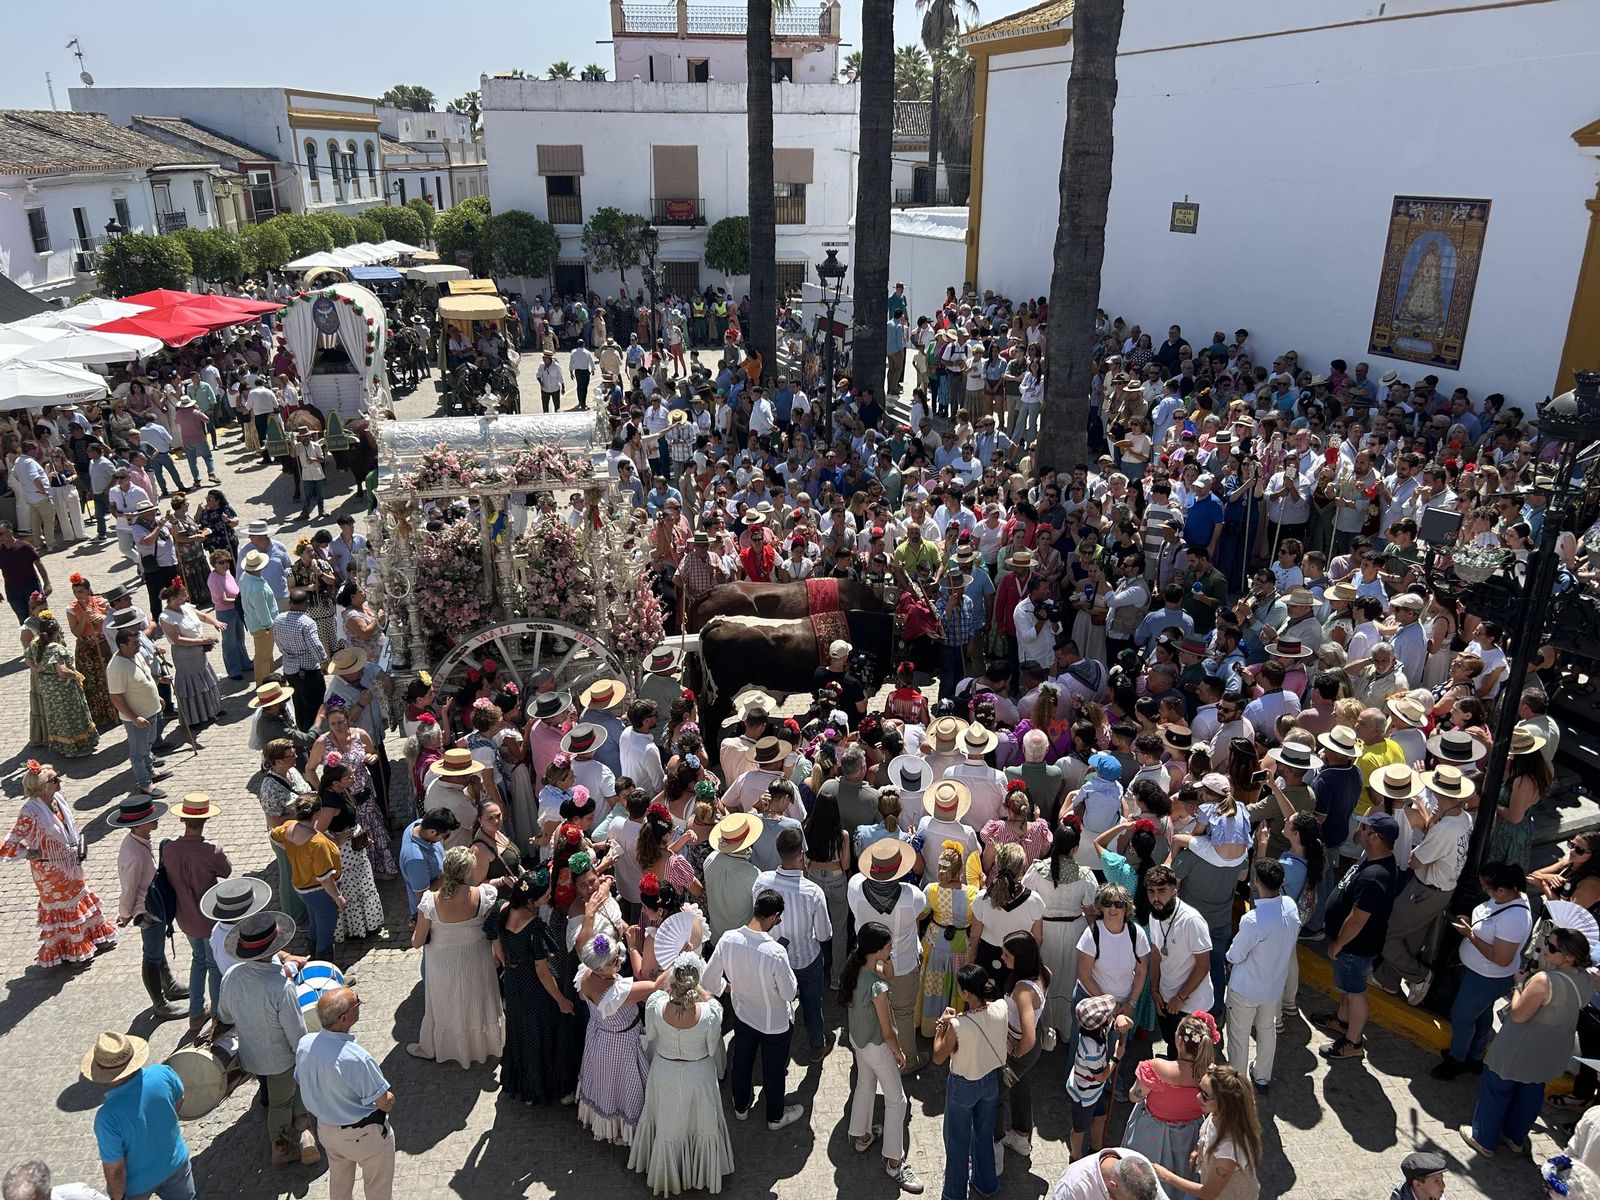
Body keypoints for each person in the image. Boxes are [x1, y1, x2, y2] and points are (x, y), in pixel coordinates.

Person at [1462, 927, 1593, 1159]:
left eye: (1552, 947)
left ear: (1569, 956)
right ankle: (1515, 1138)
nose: (1545, 949)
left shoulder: (1544, 980)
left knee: (1497, 1089)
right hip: (1551, 1048)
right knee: (1531, 1091)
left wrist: (1519, 985)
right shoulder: (1586, 978)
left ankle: (1484, 1139)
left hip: (1520, 1046)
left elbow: (1519, 1014)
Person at [216, 909, 320, 1168]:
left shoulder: (232, 976)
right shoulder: (280, 987)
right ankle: (281, 1145)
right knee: (280, 1102)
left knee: (282, 1092)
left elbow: (225, 1013)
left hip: (250, 1053)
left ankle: (303, 1129)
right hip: (280, 1060)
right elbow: (297, 1036)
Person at [628, 953, 737, 1196]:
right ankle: (700, 1172)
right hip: (698, 1074)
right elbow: (711, 1048)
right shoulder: (710, 1012)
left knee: (666, 1124)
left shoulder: (655, 1003)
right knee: (701, 1124)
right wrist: (705, 997)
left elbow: (652, 1036)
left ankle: (668, 1172)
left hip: (664, 1071)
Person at [703, 888, 804, 1130]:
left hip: (744, 1016)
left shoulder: (728, 939)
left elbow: (708, 980)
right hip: (775, 1025)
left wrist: (727, 988)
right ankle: (775, 1117)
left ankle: (740, 1108)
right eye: (778, 919)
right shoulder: (776, 953)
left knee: (742, 1062)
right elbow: (789, 994)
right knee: (774, 1071)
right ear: (774, 916)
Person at [2, 760, 117, 968]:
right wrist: (29, 853)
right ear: (41, 787)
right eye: (54, 780)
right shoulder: (29, 814)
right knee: (65, 906)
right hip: (49, 871)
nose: (59, 781)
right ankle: (72, 950)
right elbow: (8, 844)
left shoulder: (58, 799)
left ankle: (93, 938)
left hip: (69, 863)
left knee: (80, 896)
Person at [840, 922, 925, 1194]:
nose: (892, 948)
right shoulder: (876, 985)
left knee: (864, 1086)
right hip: (877, 1046)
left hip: (858, 1041)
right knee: (896, 1101)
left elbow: (888, 972)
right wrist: (899, 1052)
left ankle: (862, 1135)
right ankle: (894, 1161)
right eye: (889, 946)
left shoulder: (856, 969)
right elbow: (888, 1030)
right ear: (876, 949)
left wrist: (884, 960)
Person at [295, 987, 397, 1200]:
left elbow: (301, 1078)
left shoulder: (305, 1045)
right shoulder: (356, 1058)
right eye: (356, 1003)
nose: (360, 1003)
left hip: (327, 1131)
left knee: (339, 1184)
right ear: (343, 1018)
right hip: (364, 1135)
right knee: (377, 1187)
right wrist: (390, 1099)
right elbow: (383, 1102)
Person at [408, 845, 504, 1067]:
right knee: (477, 1002)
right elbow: (492, 931)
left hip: (443, 966)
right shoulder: (484, 896)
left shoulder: (430, 901)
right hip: (477, 960)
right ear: (468, 871)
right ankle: (484, 1044)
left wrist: (414, 930)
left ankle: (436, 1046)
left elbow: (417, 942)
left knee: (447, 1005)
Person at [1318, 811, 1401, 1062]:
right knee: (1346, 988)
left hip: (1355, 947)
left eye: (1365, 829)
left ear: (1375, 837)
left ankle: (1353, 1042)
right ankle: (1342, 1021)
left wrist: (1339, 943)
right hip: (1351, 947)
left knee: (1356, 993)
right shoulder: (1374, 857)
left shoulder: (1375, 876)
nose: (1360, 830)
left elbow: (1357, 919)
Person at [754, 827, 835, 1062]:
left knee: (775, 1003)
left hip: (773, 959)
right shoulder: (813, 892)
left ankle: (774, 1047)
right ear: (801, 854)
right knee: (812, 1004)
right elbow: (824, 934)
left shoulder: (761, 882)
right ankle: (817, 1045)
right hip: (807, 960)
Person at [84, 1032, 194, 1200]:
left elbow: (115, 1169)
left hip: (138, 1185)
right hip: (175, 1163)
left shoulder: (107, 1117)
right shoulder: (163, 1073)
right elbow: (179, 1100)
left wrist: (116, 1197)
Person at [849, 840, 927, 1072]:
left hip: (867, 965)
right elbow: (920, 913)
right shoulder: (912, 895)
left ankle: (869, 1055)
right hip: (902, 965)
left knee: (871, 1009)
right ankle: (908, 1061)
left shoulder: (854, 886)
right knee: (903, 1013)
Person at [932, 964, 1007, 1200]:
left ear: (965, 993)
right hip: (990, 1081)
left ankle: (955, 1192)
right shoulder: (1001, 1007)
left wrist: (941, 1026)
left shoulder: (957, 1025)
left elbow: (937, 1056)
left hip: (963, 1084)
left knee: (957, 1139)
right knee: (984, 1135)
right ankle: (986, 1184)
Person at [1225, 858, 1300, 1093]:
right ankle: (1262, 1077)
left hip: (1245, 989)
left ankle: (1238, 1082)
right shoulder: (1290, 906)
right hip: (1273, 987)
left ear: (1256, 881)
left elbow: (1235, 954)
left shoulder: (1252, 920)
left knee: (1238, 1036)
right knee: (1267, 1031)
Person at [574, 930, 655, 1144]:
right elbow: (654, 986)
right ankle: (626, 1129)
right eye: (613, 961)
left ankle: (609, 1122)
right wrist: (680, 961)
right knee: (626, 1090)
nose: (619, 961)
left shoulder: (586, 974)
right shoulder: (615, 992)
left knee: (606, 1085)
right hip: (621, 1044)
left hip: (600, 1038)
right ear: (600, 969)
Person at [1027, 817, 1099, 1045]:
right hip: (1074, 933)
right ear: (1075, 848)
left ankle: (1045, 1029)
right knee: (1069, 980)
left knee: (1045, 979)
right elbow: (1090, 910)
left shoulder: (1037, 870)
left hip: (1044, 931)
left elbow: (1026, 899)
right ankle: (1067, 1030)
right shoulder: (1085, 875)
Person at [1120, 1012, 1218, 1175]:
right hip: (1188, 1137)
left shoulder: (1156, 1067)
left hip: (1150, 1134)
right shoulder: (1210, 1076)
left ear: (1179, 1041)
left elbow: (1134, 1096)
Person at [1152, 1065, 1264, 1200]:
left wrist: (1166, 1176)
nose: (1198, 1096)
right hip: (1205, 1180)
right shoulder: (1218, 1114)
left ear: (1224, 1103)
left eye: (1205, 1095)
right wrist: (1198, 1149)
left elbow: (1208, 1193)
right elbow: (1208, 1134)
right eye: (1200, 1089)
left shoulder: (1228, 1148)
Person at [995, 930, 1050, 1163]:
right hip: (1029, 1051)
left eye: (1007, 954)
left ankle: (994, 1145)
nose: (1002, 957)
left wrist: (1014, 1052)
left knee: (995, 1095)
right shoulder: (1044, 973)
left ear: (1021, 958)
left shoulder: (1022, 991)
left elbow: (1028, 1038)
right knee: (1020, 1088)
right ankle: (1021, 1136)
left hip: (1019, 1049)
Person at [918, 839, 980, 1040]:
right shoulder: (973, 893)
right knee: (954, 988)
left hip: (934, 946)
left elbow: (921, 915)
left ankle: (929, 1027)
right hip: (961, 948)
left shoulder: (931, 890)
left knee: (932, 987)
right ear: (960, 868)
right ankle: (953, 1030)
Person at [272, 793, 345, 959]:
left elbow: (273, 836)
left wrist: (290, 850)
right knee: (325, 935)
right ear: (317, 813)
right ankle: (326, 973)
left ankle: (311, 958)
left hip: (302, 889)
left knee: (314, 925)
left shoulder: (288, 827)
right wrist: (338, 897)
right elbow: (325, 878)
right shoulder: (317, 843)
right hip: (321, 893)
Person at [105, 626, 168, 799]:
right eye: (134, 643)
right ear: (122, 646)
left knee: (148, 745)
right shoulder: (116, 667)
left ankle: (151, 772)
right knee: (138, 753)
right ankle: (145, 784)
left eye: (138, 641)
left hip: (151, 711)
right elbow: (116, 697)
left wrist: (157, 695)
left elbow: (144, 677)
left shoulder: (135, 654)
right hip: (138, 718)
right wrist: (134, 718)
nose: (138, 646)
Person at [26, 611, 99, 756]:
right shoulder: (55, 648)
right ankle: (75, 748)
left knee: (56, 716)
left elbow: (28, 659)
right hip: (63, 688)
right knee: (71, 716)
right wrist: (76, 675)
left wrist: (39, 669)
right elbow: (62, 671)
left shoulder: (35, 643)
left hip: (48, 688)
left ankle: (62, 746)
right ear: (57, 630)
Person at [157, 583, 223, 731]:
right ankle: (194, 718)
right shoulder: (166, 617)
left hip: (198, 652)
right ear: (173, 599)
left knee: (206, 679)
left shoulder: (186, 607)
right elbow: (178, 639)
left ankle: (212, 710)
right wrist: (203, 641)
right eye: (183, 596)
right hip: (184, 655)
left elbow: (204, 616)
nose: (186, 597)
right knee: (191, 685)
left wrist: (215, 622)